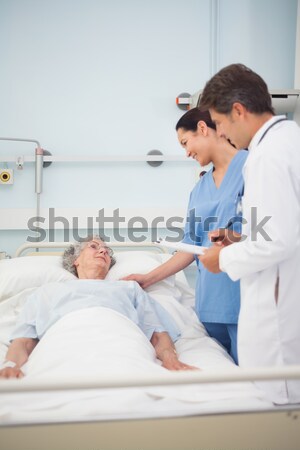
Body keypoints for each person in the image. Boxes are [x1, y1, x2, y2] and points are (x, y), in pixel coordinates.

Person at [198, 63, 300, 404]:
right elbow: (284, 225)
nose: (222, 133)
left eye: (221, 123)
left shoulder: (267, 156)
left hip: (279, 314)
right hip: (285, 292)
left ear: (238, 111)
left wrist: (222, 257)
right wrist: (238, 239)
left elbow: (278, 240)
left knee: (280, 411)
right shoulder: (288, 140)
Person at [124, 108, 248, 364]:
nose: (186, 152)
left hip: (245, 297)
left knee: (258, 383)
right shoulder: (199, 189)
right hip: (210, 304)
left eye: (185, 142)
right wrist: (148, 278)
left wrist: (235, 236)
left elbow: (273, 229)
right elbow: (189, 247)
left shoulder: (253, 168)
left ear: (203, 128)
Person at [0, 236, 195, 379]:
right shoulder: (47, 291)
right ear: (75, 260)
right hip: (64, 341)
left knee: (129, 372)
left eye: (107, 251)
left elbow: (158, 334)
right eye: (94, 247)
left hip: (122, 340)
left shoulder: (128, 288)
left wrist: (170, 360)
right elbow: (23, 341)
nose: (103, 251)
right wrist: (10, 365)